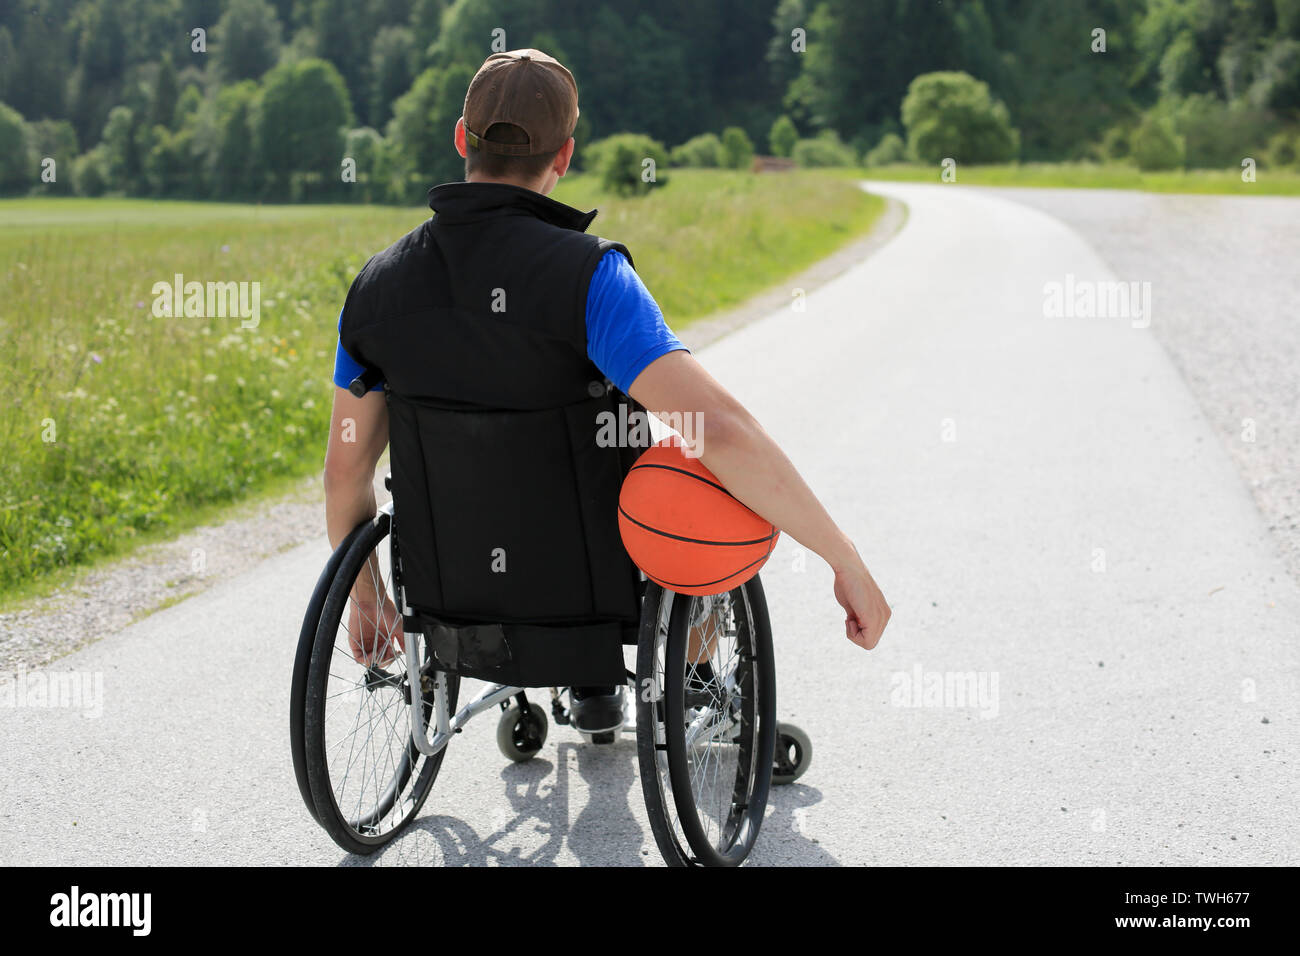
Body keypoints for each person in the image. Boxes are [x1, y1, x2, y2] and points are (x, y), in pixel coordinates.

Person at [323, 49, 889, 733]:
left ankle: (592, 686)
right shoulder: (590, 278)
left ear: (460, 139)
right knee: (689, 466)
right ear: (563, 156)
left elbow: (343, 475)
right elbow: (724, 433)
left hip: (447, 590)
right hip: (598, 587)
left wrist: (366, 598)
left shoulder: (375, 289)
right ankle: (692, 677)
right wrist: (842, 557)